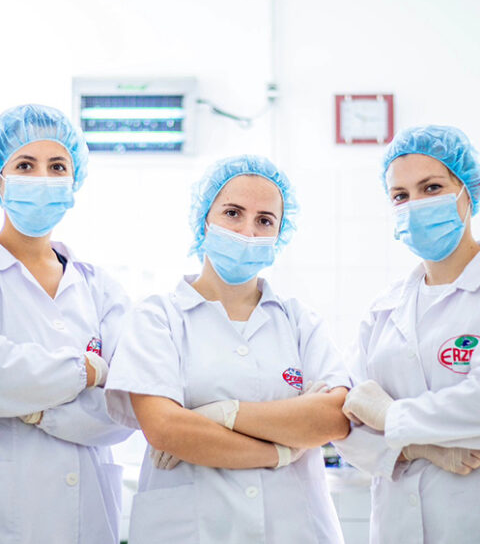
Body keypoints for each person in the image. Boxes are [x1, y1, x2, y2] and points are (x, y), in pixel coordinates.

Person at [105, 155, 351, 544]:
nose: (247, 231)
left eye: (264, 220)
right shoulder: (157, 318)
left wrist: (220, 414)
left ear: (279, 234)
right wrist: (282, 451)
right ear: (205, 219)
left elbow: (334, 418)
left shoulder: (299, 321)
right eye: (233, 213)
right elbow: (166, 428)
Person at [335, 125, 480, 544]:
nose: (415, 205)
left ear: (468, 192)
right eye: (400, 195)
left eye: (432, 188)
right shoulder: (384, 310)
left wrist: (389, 416)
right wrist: (419, 447)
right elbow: (345, 430)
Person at [0, 104, 132, 544]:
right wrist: (88, 371)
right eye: (25, 165)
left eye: (57, 166)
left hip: (90, 520)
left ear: (74, 182)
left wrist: (34, 408)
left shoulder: (101, 288)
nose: (43, 178)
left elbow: (128, 405)